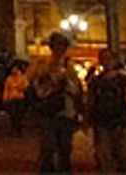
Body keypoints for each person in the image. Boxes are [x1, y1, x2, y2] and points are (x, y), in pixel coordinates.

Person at [28, 31, 82, 173]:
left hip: (65, 110)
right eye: (56, 45)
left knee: (65, 146)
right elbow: (32, 82)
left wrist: (65, 82)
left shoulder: (69, 65)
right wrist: (45, 77)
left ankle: (64, 170)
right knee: (48, 146)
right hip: (47, 109)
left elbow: (75, 89)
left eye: (62, 45)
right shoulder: (42, 63)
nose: (59, 49)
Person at [86, 48, 126, 173]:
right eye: (104, 59)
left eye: (109, 58)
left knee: (124, 156)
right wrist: (87, 118)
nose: (107, 62)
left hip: (120, 121)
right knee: (104, 157)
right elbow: (91, 100)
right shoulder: (96, 81)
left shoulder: (122, 79)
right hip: (102, 122)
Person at [3, 64, 29, 135]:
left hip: (20, 98)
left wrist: (20, 87)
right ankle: (13, 129)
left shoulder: (23, 77)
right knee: (12, 115)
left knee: (19, 115)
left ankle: (18, 130)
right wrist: (5, 98)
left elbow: (26, 86)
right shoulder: (9, 79)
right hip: (12, 98)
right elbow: (6, 89)